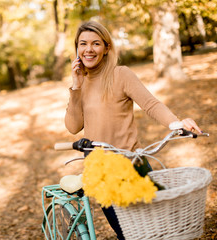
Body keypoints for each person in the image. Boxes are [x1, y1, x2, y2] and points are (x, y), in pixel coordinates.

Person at [64, 21, 202, 240]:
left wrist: (176, 124)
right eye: (83, 44)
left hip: (132, 162)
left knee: (159, 230)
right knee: (129, 234)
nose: (88, 49)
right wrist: (76, 88)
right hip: (101, 172)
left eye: (96, 44)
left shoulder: (121, 75)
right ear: (77, 48)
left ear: (106, 48)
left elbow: (151, 104)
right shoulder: (82, 83)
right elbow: (73, 127)